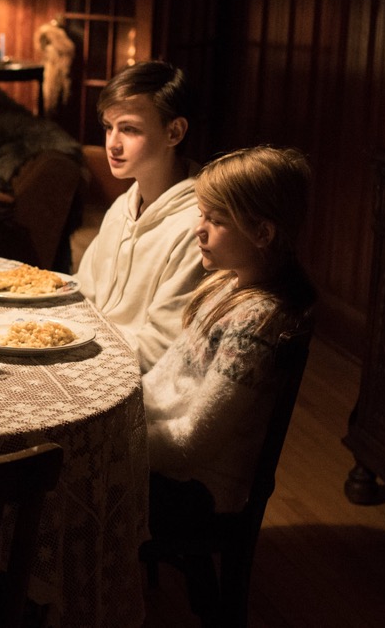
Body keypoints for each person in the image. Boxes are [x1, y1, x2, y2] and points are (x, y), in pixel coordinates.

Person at [143, 145, 317, 521]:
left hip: (197, 486)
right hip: (163, 453)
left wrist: (113, 442)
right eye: (200, 214)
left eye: (216, 220)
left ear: (262, 232)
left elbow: (190, 445)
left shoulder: (256, 325)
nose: (197, 229)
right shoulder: (226, 285)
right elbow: (162, 380)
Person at [74, 61, 207, 372]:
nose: (112, 144)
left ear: (174, 132)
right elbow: (82, 297)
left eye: (129, 129)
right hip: (87, 361)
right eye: (108, 127)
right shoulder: (122, 206)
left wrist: (79, 359)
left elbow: (162, 348)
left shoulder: (196, 226)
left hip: (132, 384)